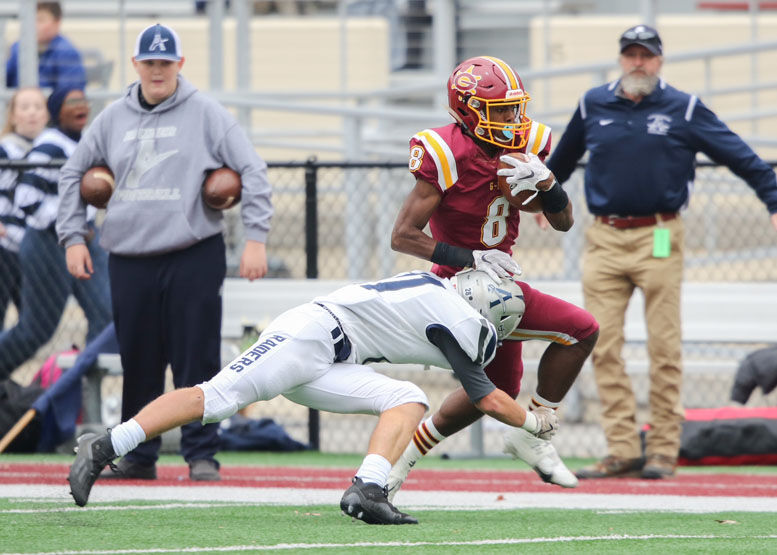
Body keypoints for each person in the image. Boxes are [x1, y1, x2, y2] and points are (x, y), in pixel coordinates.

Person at [67, 269, 558, 524]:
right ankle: (108, 444)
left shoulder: (437, 289)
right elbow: (488, 397)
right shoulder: (461, 318)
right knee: (214, 399)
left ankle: (367, 489)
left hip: (333, 355)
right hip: (310, 336)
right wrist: (537, 425)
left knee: (408, 398)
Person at [546, 24, 777, 480]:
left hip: (660, 234)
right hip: (605, 237)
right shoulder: (594, 103)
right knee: (601, 343)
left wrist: (773, 200)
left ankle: (664, 451)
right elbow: (563, 160)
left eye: (646, 55)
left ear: (660, 60)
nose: (638, 63)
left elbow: (741, 156)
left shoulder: (684, 107)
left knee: (664, 347)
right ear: (620, 59)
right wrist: (545, 198)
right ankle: (622, 448)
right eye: (630, 54)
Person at [56, 23, 273, 483]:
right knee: (140, 362)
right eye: (149, 63)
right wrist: (73, 237)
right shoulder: (112, 117)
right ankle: (139, 455)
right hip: (130, 256)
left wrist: (256, 236)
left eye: (165, 63)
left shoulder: (206, 113)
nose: (157, 71)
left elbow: (252, 169)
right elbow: (72, 174)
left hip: (192, 252)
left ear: (180, 65)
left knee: (196, 360)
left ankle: (201, 454)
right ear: (136, 65)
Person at [388, 55, 599, 497]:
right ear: (467, 110)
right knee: (580, 328)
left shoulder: (528, 145)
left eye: (514, 108)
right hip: (456, 283)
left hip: (498, 282)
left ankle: (398, 462)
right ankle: (532, 432)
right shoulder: (445, 151)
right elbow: (403, 237)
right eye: (500, 110)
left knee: (500, 388)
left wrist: (549, 185)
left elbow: (563, 222)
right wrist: (469, 258)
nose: (512, 119)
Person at [0, 87, 111, 379]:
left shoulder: (87, 141)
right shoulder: (50, 144)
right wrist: (67, 225)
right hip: (49, 242)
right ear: (57, 110)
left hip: (88, 237)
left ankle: (86, 392)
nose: (80, 106)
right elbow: (25, 195)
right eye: (70, 101)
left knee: (107, 311)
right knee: (37, 329)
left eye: (83, 100)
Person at [0, 87, 49, 330]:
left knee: (33, 322)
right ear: (13, 115)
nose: (32, 113)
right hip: (5, 243)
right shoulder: (6, 149)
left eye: (38, 107)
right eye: (25, 107)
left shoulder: (51, 149)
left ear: (47, 114)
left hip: (34, 247)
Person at [5, 2, 87, 92]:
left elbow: (69, 95)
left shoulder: (67, 52)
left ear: (57, 22)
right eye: (31, 19)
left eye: (40, 20)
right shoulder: (18, 48)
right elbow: (5, 81)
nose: (34, 25)